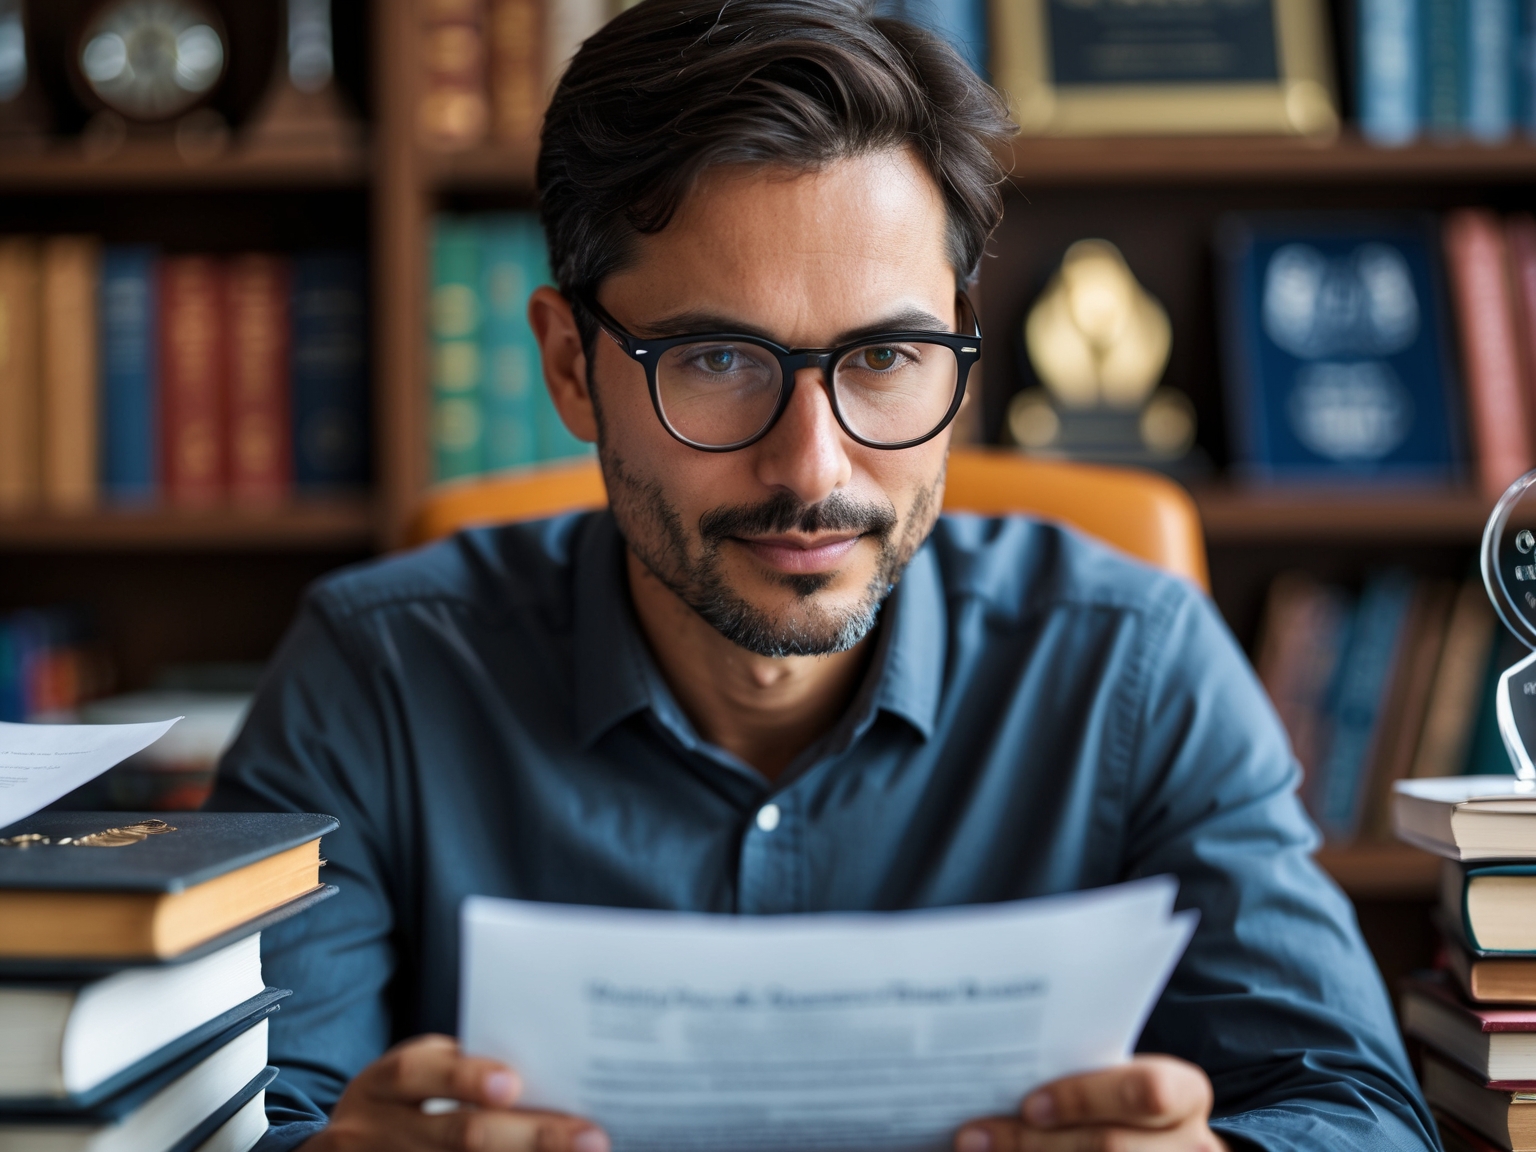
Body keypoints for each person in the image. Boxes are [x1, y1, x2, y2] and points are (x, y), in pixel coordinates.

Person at [209, 2, 1437, 1150]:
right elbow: (246, 1112)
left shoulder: (1134, 663)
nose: (814, 467)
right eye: (716, 359)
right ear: (572, 368)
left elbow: (1363, 1111)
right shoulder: (371, 674)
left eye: (887, 355)